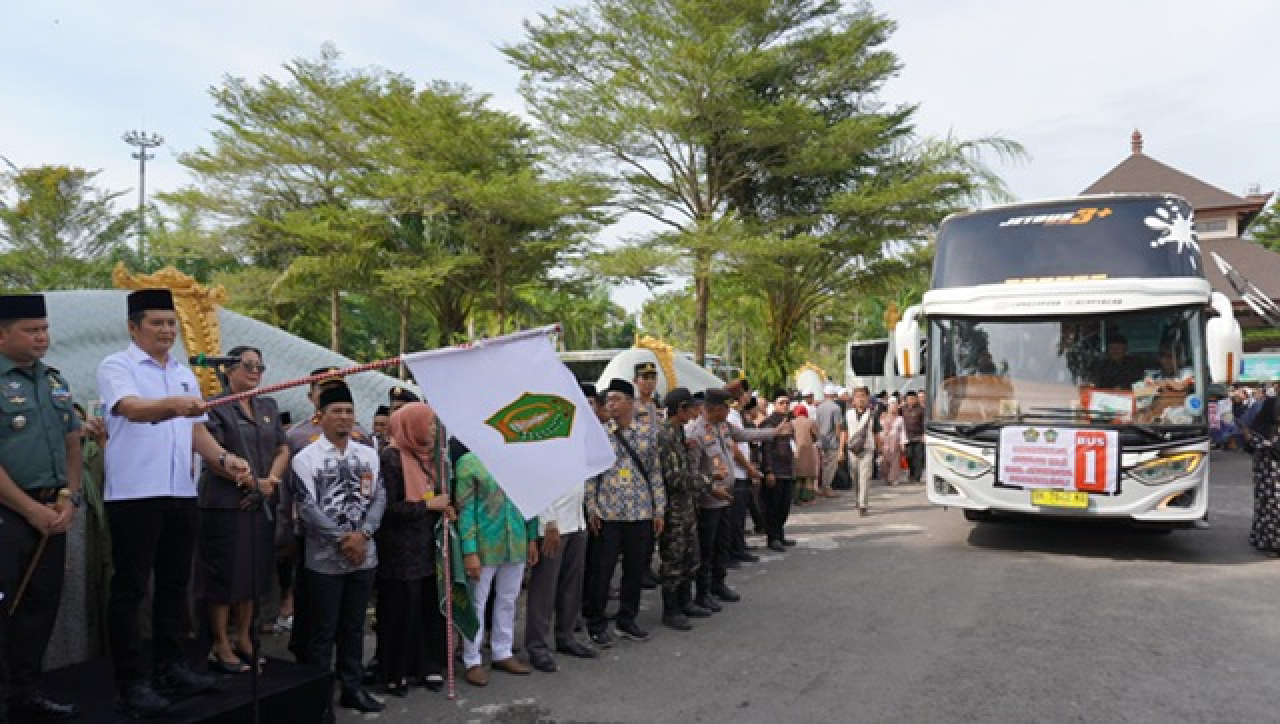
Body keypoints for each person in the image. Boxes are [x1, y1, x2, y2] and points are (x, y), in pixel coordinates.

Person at [98, 288, 252, 718]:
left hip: (181, 493)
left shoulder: (183, 373)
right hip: (134, 495)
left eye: (171, 323)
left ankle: (171, 667)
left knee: (174, 584)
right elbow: (130, 409)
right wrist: (175, 405)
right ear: (134, 326)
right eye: (156, 323)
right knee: (130, 589)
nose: (167, 331)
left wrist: (225, 459)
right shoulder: (117, 366)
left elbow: (196, 431)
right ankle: (131, 682)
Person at [0, 294, 82, 723]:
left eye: (44, 330)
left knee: (40, 606)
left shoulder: (53, 380)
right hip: (9, 514)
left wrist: (69, 497)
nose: (42, 338)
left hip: (54, 511)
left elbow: (73, 440)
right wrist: (30, 509)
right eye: (31, 330)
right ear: (2, 334)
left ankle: (25, 692)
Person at [290, 382, 386, 714]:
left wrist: (365, 534)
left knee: (354, 626)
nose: (344, 418)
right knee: (322, 630)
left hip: (364, 556)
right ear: (320, 417)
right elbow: (307, 507)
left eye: (349, 411)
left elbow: (379, 496)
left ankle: (352, 688)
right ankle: (318, 698)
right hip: (324, 560)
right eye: (336, 412)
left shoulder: (368, 454)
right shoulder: (305, 459)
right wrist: (345, 540)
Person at [198, 346, 290, 676]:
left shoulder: (267, 404)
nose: (255, 371)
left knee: (253, 573)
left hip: (262, 500)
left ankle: (244, 638)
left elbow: (282, 447)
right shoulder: (214, 405)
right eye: (247, 365)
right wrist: (250, 480)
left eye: (259, 366)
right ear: (228, 370)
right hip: (226, 503)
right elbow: (213, 455)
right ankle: (220, 642)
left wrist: (272, 480)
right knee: (225, 575)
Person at [375, 402, 454, 696]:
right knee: (400, 612)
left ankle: (427, 665)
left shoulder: (430, 458)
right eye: (429, 424)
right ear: (412, 426)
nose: (433, 429)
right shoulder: (391, 458)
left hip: (426, 548)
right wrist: (427, 505)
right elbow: (387, 508)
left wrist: (445, 508)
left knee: (427, 610)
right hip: (400, 552)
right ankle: (396, 672)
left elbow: (436, 497)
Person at [685, 388, 785, 611]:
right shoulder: (695, 433)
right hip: (708, 501)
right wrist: (711, 487)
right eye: (725, 408)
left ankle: (718, 584)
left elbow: (746, 435)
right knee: (706, 549)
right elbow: (690, 473)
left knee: (722, 546)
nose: (729, 411)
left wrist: (773, 432)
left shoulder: (723, 426)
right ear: (715, 409)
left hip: (726, 498)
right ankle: (703, 592)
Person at [524, 383, 600, 672]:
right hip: (553, 525)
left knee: (572, 585)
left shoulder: (577, 437)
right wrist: (549, 522)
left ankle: (566, 636)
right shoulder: (543, 438)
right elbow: (536, 483)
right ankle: (537, 646)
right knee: (544, 589)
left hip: (576, 521)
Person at [585, 378, 666, 645]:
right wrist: (592, 507)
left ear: (630, 403)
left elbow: (655, 473)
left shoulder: (647, 434)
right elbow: (591, 475)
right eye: (608, 400)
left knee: (634, 571)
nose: (610, 404)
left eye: (616, 399)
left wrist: (659, 509)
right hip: (608, 514)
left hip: (640, 512)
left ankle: (627, 620)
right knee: (603, 570)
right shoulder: (600, 435)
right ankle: (596, 622)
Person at [455, 442, 538, 686]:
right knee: (477, 602)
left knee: (509, 598)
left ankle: (503, 651)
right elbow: (465, 509)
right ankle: (472, 659)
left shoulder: (520, 459)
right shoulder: (469, 462)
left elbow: (530, 501)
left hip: (516, 541)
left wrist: (532, 536)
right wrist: (469, 550)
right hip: (484, 545)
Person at [654, 387, 711, 631]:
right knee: (674, 557)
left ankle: (686, 601)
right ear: (680, 409)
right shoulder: (665, 437)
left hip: (686, 505)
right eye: (691, 408)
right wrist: (707, 481)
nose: (696, 412)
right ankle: (671, 609)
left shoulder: (678, 433)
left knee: (690, 554)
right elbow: (675, 478)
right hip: (673, 507)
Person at [1249, 386, 1280, 556]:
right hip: (1270, 461)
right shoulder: (1271, 404)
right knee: (1271, 503)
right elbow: (1256, 430)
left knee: (1270, 502)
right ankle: (1271, 543)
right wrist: (1267, 444)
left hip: (1269, 458)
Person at [840, 386, 880, 516]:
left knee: (865, 477)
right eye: (857, 396)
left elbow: (876, 434)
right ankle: (858, 499)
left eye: (863, 395)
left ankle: (863, 504)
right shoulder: (848, 414)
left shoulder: (872, 414)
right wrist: (841, 450)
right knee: (855, 477)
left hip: (867, 449)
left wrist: (879, 449)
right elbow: (843, 432)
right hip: (852, 450)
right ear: (853, 399)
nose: (860, 399)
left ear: (868, 398)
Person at [814, 385, 843, 498]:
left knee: (824, 465)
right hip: (832, 441)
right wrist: (839, 439)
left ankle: (823, 487)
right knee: (831, 466)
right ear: (834, 395)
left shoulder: (819, 407)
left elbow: (817, 425)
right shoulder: (836, 408)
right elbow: (837, 426)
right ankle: (827, 488)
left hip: (821, 440)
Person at [791, 405, 819, 505]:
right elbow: (816, 435)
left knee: (798, 476)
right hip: (808, 450)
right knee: (808, 476)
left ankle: (796, 497)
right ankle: (807, 498)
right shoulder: (810, 422)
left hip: (796, 451)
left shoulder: (792, 423)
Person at [878, 398, 907, 486]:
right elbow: (879, 429)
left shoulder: (900, 419)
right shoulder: (883, 417)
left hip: (895, 440)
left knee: (895, 460)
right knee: (885, 460)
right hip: (884, 440)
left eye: (895, 406)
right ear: (888, 407)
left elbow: (902, 431)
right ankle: (886, 477)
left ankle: (894, 478)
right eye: (891, 406)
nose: (893, 408)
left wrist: (903, 443)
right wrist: (879, 441)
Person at [902, 391, 925, 483]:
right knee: (909, 456)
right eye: (909, 399)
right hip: (907, 437)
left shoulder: (921, 410)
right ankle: (911, 474)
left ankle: (917, 476)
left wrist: (924, 434)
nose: (911, 401)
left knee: (918, 457)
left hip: (919, 437)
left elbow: (924, 423)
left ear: (916, 399)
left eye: (913, 399)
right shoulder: (903, 409)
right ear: (906, 400)